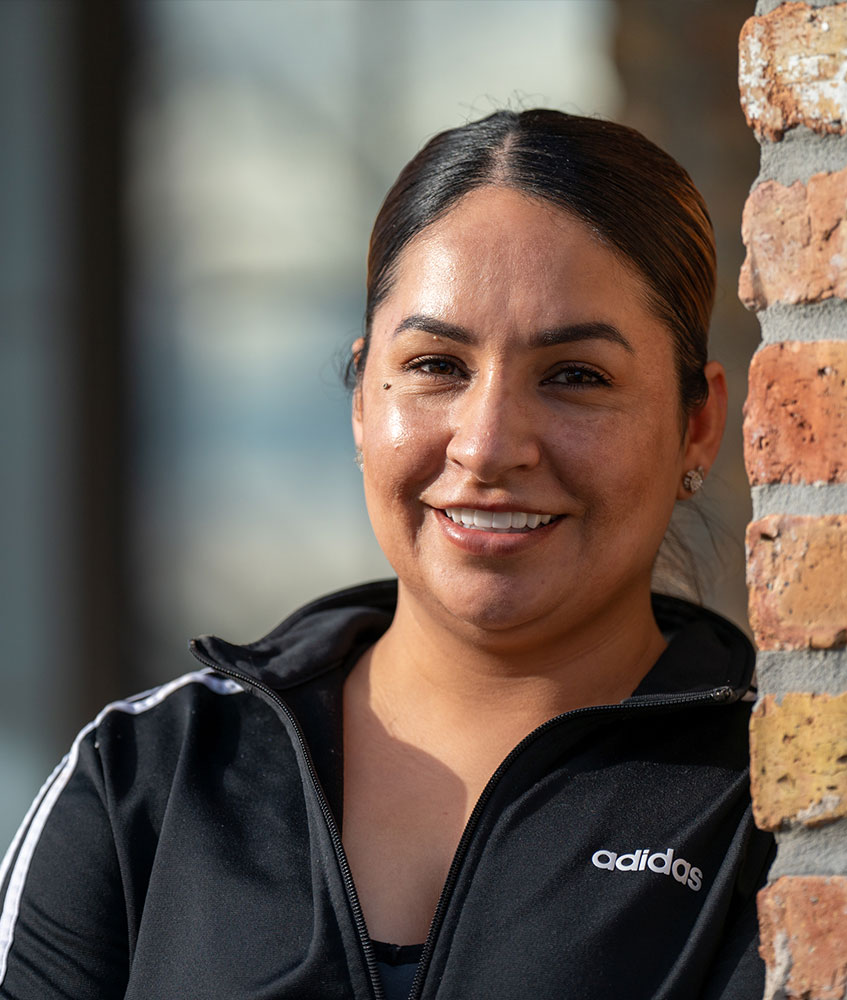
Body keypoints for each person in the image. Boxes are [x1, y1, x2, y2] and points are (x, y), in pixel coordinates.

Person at [0, 109, 773, 1000]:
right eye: (437, 365)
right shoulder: (150, 776)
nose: (487, 446)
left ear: (697, 425)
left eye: (575, 376)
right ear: (363, 401)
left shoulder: (776, 800)